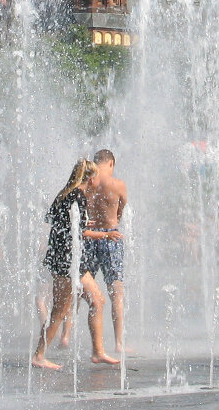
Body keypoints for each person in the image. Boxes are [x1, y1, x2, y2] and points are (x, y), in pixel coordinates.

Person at [32, 159, 120, 370]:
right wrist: (105, 236)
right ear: (90, 178)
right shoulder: (79, 196)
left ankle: (98, 352)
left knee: (97, 301)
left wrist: (79, 221)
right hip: (67, 261)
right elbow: (78, 232)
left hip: (66, 259)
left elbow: (53, 219)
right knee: (59, 311)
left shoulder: (64, 194)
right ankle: (39, 355)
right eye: (96, 176)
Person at [83, 148, 129, 353]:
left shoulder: (87, 185)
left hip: (90, 237)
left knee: (80, 288)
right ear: (111, 163)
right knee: (116, 292)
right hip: (111, 237)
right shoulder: (117, 185)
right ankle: (119, 343)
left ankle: (65, 335)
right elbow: (120, 211)